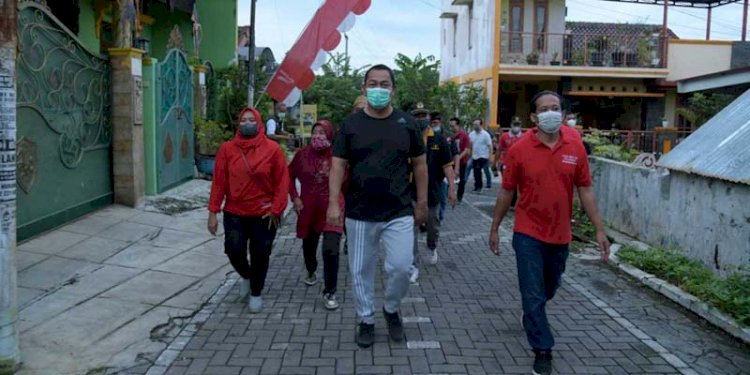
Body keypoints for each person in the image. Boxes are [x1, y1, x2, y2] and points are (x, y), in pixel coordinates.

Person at [488, 90, 610, 375]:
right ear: (533, 117)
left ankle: (532, 314)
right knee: (532, 294)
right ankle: (542, 349)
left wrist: (600, 230)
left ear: (564, 113)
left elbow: (586, 189)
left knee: (548, 289)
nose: (550, 113)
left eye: (555, 107)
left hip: (560, 235)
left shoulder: (575, 146)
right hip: (527, 232)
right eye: (544, 109)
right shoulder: (519, 149)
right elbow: (507, 192)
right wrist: (494, 228)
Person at [328, 64, 428, 348]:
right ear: (363, 88)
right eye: (373, 83)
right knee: (360, 270)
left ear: (393, 89)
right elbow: (337, 165)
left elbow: (420, 165)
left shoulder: (407, 123)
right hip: (360, 212)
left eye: (385, 84)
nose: (379, 89)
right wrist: (333, 203)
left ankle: (392, 309)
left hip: (398, 210)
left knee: (401, 266)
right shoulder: (351, 125)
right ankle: (366, 319)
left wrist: (422, 202)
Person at [207, 107, 290, 314]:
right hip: (235, 211)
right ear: (238, 123)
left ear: (259, 122)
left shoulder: (273, 150)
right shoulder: (227, 149)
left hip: (264, 213)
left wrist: (277, 209)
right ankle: (246, 275)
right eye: (243, 120)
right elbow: (219, 182)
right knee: (233, 249)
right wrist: (213, 212)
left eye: (251, 119)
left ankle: (256, 292)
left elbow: (282, 182)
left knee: (260, 253)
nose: (247, 123)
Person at [288, 120, 344, 310]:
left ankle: (330, 291)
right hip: (309, 208)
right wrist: (294, 197)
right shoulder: (302, 155)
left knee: (331, 248)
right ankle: (311, 270)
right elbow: (289, 176)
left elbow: (349, 181)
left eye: (322, 132)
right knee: (309, 247)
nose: (318, 136)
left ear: (330, 135)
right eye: (315, 132)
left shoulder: (338, 156)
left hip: (332, 208)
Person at [408, 106, 456, 284]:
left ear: (429, 118)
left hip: (433, 191)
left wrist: (451, 188)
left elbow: (447, 165)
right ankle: (413, 265)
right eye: (417, 116)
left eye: (423, 116)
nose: (421, 119)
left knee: (432, 224)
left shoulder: (439, 139)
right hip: (410, 192)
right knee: (410, 229)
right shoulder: (408, 137)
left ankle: (432, 245)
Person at [497, 117, 524, 208]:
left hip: (519, 164)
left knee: (518, 184)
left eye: (518, 125)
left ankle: (514, 202)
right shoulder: (504, 136)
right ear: (511, 125)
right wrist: (496, 162)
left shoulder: (524, 137)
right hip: (506, 164)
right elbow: (499, 149)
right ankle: (506, 203)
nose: (516, 127)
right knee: (507, 184)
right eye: (514, 124)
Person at [430, 112, 450, 223]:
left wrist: (455, 170)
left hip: (444, 172)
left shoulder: (447, 136)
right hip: (432, 172)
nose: (434, 124)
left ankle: (440, 217)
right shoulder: (427, 136)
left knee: (442, 197)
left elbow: (455, 153)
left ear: (440, 122)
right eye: (432, 122)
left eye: (436, 122)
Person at [468, 118, 493, 193]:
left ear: (481, 125)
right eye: (474, 125)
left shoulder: (485, 134)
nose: (475, 126)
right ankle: (477, 186)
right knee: (476, 172)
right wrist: (469, 154)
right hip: (474, 156)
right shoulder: (471, 134)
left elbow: (490, 146)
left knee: (479, 171)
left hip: (483, 156)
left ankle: (479, 187)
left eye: (477, 124)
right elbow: (470, 145)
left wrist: (490, 156)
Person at [449, 117, 471, 203]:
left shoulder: (464, 135)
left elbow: (466, 150)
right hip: (450, 162)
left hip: (462, 162)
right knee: (449, 179)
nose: (451, 128)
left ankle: (459, 197)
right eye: (450, 126)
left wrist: (457, 159)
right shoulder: (450, 135)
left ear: (458, 125)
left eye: (453, 126)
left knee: (462, 180)